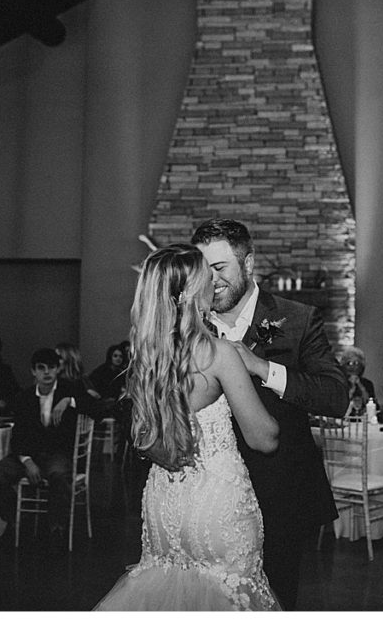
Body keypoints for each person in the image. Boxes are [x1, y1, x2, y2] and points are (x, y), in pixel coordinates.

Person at [94, 243, 280, 611]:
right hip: (218, 505)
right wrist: (262, 383)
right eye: (205, 276)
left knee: (165, 589)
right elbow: (264, 439)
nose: (213, 281)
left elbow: (144, 438)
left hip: (165, 502)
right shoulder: (219, 354)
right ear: (188, 294)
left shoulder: (147, 359)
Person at [190, 218, 348, 610]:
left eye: (220, 268)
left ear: (248, 264)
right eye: (202, 269)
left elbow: (335, 395)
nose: (210, 281)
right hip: (205, 500)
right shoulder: (185, 322)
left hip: (279, 494)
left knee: (273, 600)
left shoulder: (297, 319)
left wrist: (262, 369)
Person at [0, 348, 94, 550]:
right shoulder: (24, 397)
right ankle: (16, 518)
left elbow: (99, 406)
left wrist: (69, 400)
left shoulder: (68, 389)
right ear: (33, 372)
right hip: (29, 454)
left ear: (58, 369)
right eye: (41, 368)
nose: (47, 373)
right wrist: (27, 461)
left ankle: (56, 530)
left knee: (58, 475)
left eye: (51, 367)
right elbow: (17, 437)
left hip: (57, 453)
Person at [340, 346, 377, 417]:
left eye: (356, 363)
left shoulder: (367, 384)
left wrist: (361, 386)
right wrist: (351, 390)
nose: (353, 367)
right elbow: (339, 405)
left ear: (361, 366)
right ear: (343, 366)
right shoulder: (339, 383)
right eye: (349, 363)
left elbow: (373, 405)